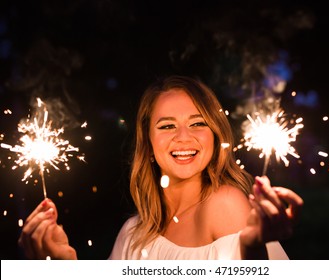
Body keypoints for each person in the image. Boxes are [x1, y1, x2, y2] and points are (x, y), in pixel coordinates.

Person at [18, 75, 304, 260]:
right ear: (149, 144)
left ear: (216, 137)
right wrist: (62, 266)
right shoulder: (132, 232)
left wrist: (253, 247)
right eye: (167, 126)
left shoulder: (224, 204)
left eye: (198, 123)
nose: (183, 137)